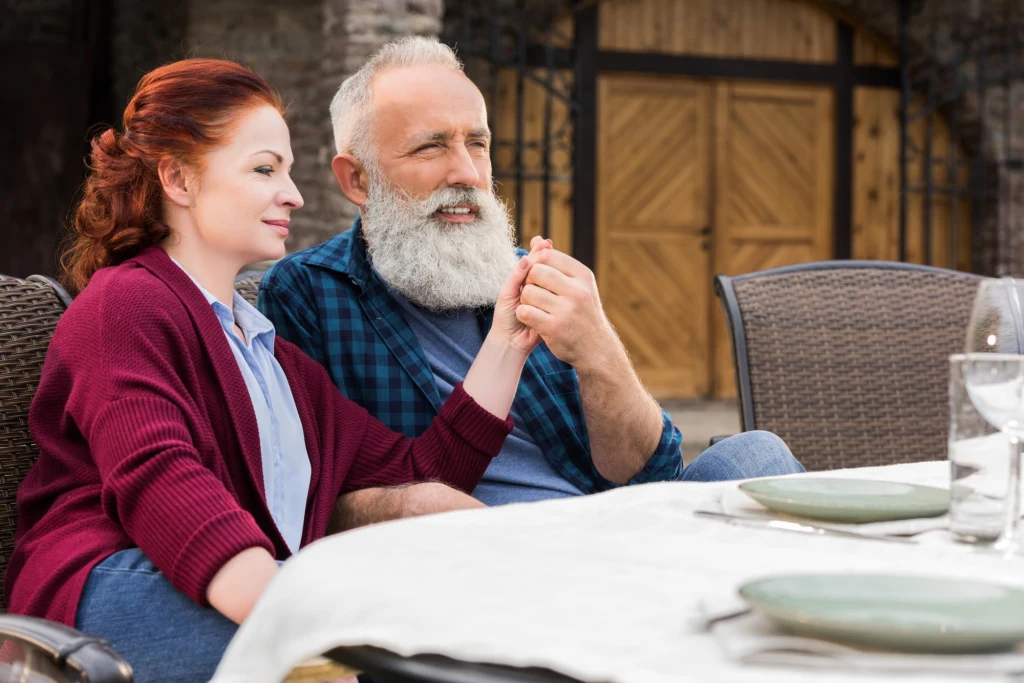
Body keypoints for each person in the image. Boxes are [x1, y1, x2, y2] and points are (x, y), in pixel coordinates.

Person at [5, 58, 541, 683]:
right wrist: (304, 620)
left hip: (248, 586)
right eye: (264, 170)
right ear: (178, 178)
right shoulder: (124, 305)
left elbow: (422, 472)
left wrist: (509, 339)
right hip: (107, 594)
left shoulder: (271, 356)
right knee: (398, 657)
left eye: (287, 171)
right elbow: (160, 481)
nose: (294, 195)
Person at [259, 37, 804, 519]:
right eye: (431, 146)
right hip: (480, 553)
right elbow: (312, 498)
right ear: (357, 180)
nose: (468, 173)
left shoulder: (533, 277)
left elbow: (650, 474)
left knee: (757, 453)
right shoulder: (308, 292)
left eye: (477, 143)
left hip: (609, 526)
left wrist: (599, 354)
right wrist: (419, 508)